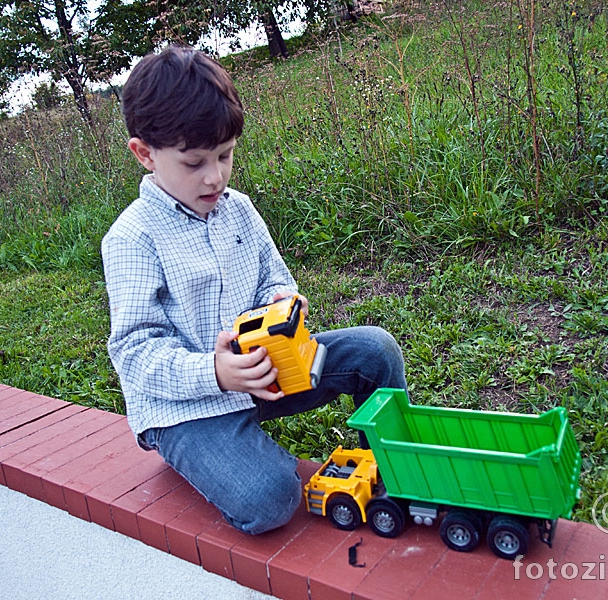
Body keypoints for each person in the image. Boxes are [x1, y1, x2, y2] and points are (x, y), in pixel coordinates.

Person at [101, 45, 407, 535]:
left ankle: (390, 461)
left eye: (225, 156)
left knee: (375, 351)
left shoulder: (238, 208)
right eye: (195, 162)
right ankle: (208, 452)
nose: (215, 175)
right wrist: (216, 371)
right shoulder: (133, 239)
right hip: (186, 406)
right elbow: (136, 356)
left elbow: (273, 279)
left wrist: (283, 305)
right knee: (270, 498)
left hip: (265, 373)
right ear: (145, 153)